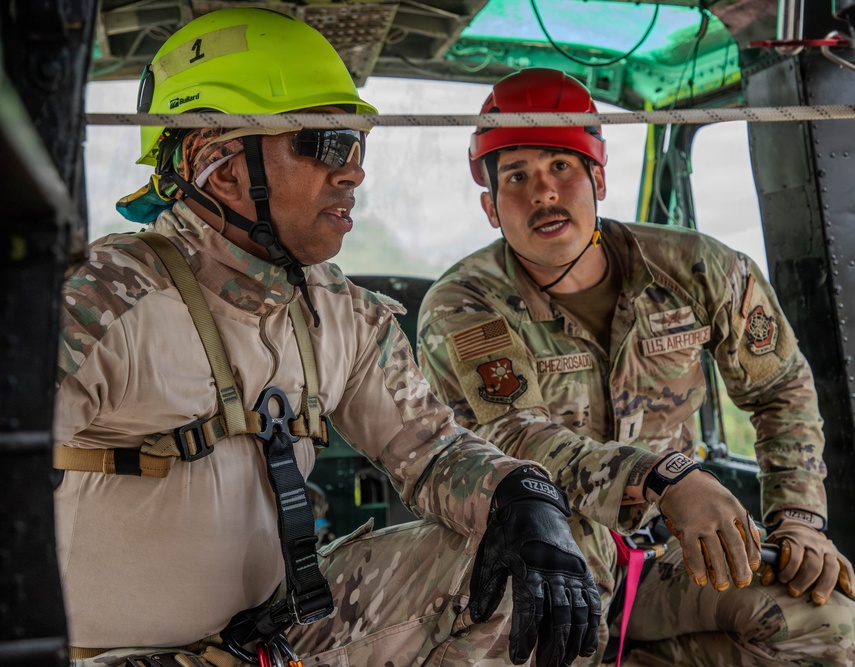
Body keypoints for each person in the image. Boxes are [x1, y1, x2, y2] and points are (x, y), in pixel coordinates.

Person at [55, 14, 601, 667]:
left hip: (267, 642)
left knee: (507, 559)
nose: (353, 174)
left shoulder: (338, 310)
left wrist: (524, 495)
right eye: (327, 142)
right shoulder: (106, 301)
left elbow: (431, 450)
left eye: (358, 146)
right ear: (219, 162)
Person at [416, 67, 855, 666]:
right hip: (544, 560)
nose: (544, 193)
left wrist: (799, 517)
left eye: (561, 168)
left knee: (830, 623)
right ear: (490, 206)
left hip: (674, 552)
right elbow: (517, 440)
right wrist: (665, 478)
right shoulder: (464, 306)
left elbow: (780, 385)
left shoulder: (697, 268)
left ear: (598, 176)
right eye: (517, 176)